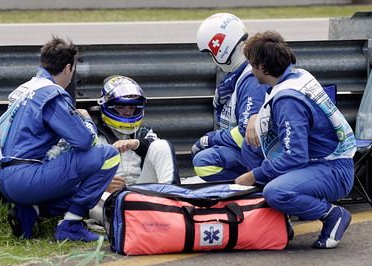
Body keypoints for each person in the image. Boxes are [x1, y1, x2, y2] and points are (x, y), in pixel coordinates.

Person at [0, 37, 120, 242]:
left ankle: (30, 212)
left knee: (78, 184)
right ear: (68, 68)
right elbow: (85, 141)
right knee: (109, 156)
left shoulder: (25, 89)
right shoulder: (51, 94)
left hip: (6, 177)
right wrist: (86, 121)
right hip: (28, 178)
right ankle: (71, 224)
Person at [235, 31, 357, 249]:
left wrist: (254, 175)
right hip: (321, 161)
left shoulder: (288, 101)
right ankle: (279, 219)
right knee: (250, 146)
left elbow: (295, 157)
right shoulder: (296, 76)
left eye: (252, 64)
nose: (251, 70)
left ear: (263, 67)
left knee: (275, 191)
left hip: (333, 169)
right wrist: (255, 118)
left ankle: (333, 215)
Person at [88, 75, 180, 224]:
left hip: (141, 191)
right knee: (106, 206)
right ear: (106, 106)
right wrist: (102, 184)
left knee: (162, 145)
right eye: (121, 106)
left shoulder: (144, 133)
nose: (127, 112)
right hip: (106, 196)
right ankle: (137, 220)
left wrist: (136, 143)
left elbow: (157, 149)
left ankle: (173, 205)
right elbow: (75, 175)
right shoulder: (91, 134)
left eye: (132, 107)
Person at [191, 13, 269, 181]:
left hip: (260, 155)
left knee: (203, 162)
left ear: (220, 49)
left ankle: (250, 189)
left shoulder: (251, 80)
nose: (212, 60)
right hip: (253, 154)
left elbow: (246, 135)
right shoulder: (238, 76)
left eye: (210, 53)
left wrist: (210, 140)